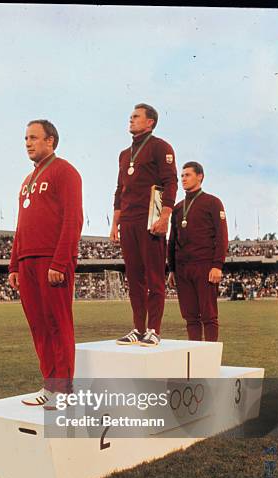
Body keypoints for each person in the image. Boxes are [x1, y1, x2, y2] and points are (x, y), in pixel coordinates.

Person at [8, 120, 83, 408]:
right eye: (26, 137)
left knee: (57, 324)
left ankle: (64, 391)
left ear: (50, 141)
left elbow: (73, 219)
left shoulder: (65, 171)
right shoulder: (27, 181)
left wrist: (60, 261)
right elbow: (21, 225)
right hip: (26, 260)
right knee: (38, 326)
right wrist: (14, 264)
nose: (28, 142)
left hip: (52, 261)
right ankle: (50, 386)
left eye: (34, 137)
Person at [110, 103, 178, 346]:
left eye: (136, 116)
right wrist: (114, 224)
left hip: (150, 220)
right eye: (131, 115)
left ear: (150, 122)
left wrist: (165, 216)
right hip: (128, 221)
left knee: (154, 277)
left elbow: (171, 182)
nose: (131, 119)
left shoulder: (161, 147)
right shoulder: (124, 154)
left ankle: (154, 329)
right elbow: (119, 190)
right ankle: (138, 328)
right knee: (134, 277)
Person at [168, 162, 228, 342]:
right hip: (182, 268)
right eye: (182, 176)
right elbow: (172, 240)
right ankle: (195, 357)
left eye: (187, 175)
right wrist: (172, 268)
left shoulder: (212, 202)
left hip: (204, 265)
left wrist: (217, 265)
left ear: (200, 176)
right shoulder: (178, 208)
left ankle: (209, 360)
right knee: (190, 317)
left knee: (209, 316)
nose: (183, 179)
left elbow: (222, 236)